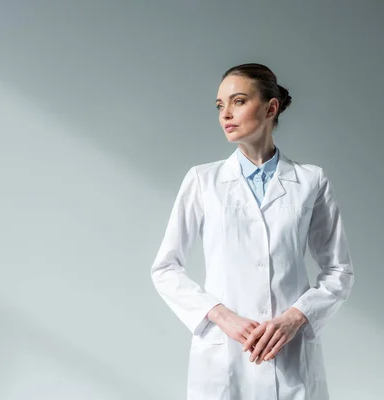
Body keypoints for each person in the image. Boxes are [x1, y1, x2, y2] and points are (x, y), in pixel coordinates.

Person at [150, 63, 354, 400]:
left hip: (289, 356)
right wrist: (222, 317)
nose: (225, 114)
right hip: (224, 353)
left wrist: (295, 318)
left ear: (271, 108)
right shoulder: (203, 181)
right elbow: (165, 268)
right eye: (220, 105)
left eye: (238, 101)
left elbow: (339, 271)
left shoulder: (310, 181)